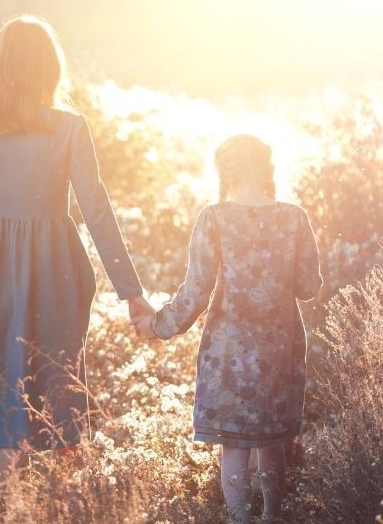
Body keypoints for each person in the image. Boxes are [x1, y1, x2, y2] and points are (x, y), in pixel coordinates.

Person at [0, 14, 155, 479]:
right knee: (61, 390)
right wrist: (131, 292)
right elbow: (96, 210)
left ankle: (8, 505)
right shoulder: (69, 126)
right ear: (49, 69)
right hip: (56, 269)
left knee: (4, 401)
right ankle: (67, 503)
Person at [133, 134, 322, 523]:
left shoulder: (214, 218)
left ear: (225, 171)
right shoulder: (294, 217)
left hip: (228, 351)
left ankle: (240, 520)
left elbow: (196, 293)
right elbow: (308, 287)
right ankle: (270, 518)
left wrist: (157, 326)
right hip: (280, 349)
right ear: (266, 168)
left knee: (233, 446)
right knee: (272, 443)